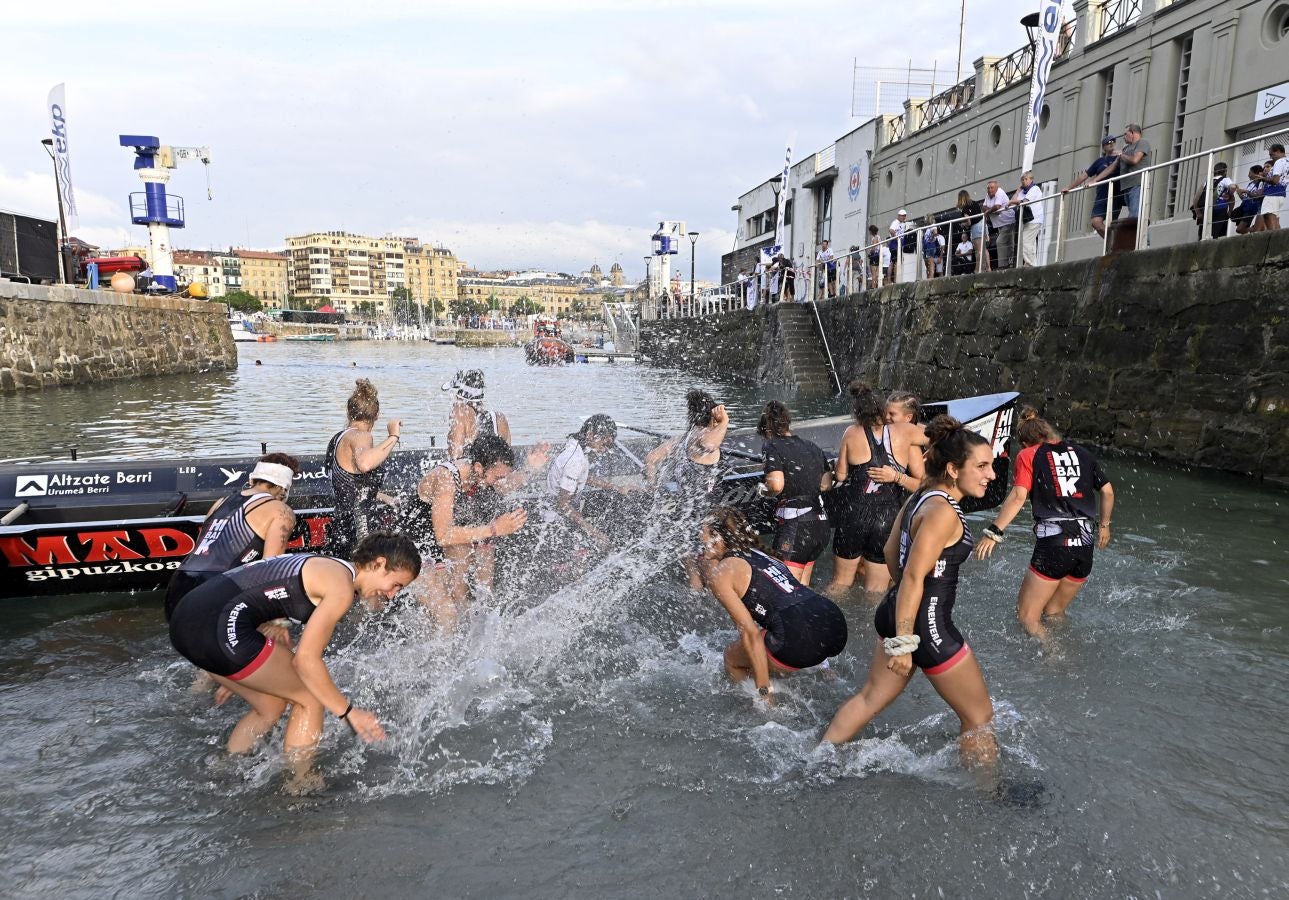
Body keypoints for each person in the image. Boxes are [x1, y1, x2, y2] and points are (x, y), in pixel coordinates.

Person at [168, 532, 420, 792]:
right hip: (217, 629)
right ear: (378, 563)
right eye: (396, 585)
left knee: (270, 705)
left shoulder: (327, 566)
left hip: (188, 621)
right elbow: (306, 661)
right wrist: (348, 712)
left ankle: (224, 771)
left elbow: (254, 593)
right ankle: (301, 784)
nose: (391, 595)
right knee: (310, 698)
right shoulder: (341, 588)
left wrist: (245, 670)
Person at [821, 416, 997, 772]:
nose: (991, 474)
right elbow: (916, 575)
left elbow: (889, 551)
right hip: (925, 629)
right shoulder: (943, 511)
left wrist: (903, 614)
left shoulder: (921, 496)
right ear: (952, 468)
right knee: (979, 718)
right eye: (981, 466)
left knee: (870, 698)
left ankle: (818, 759)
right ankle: (990, 795)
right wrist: (905, 639)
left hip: (898, 610)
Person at [975, 406, 1114, 645]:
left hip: (1056, 542)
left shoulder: (1029, 455)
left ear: (1025, 442)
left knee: (1027, 617)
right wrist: (1104, 526)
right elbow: (1108, 491)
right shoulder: (1082, 453)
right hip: (1086, 541)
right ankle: (1071, 651)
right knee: (1054, 613)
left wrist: (994, 531)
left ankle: (1054, 655)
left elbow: (1019, 495)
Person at [699, 506, 848, 700]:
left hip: (799, 635)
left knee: (732, 658)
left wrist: (764, 689)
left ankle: (767, 708)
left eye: (702, 533)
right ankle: (822, 666)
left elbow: (750, 634)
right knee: (773, 633)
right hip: (833, 622)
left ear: (718, 536)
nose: (700, 540)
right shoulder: (762, 554)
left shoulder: (722, 573)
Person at [402, 433, 544, 629]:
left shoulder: (480, 476)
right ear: (479, 467)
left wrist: (529, 469)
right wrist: (495, 528)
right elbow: (443, 535)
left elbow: (505, 486)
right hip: (411, 548)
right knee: (447, 613)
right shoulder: (447, 478)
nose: (499, 482)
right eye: (497, 477)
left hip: (442, 545)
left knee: (468, 600)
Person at [164, 453, 300, 622]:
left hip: (178, 585)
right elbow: (269, 568)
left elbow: (202, 546)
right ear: (284, 488)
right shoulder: (281, 511)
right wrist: (276, 620)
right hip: (217, 589)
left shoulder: (221, 502)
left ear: (252, 480)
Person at [824, 382, 926, 600]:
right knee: (876, 591)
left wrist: (831, 471)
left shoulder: (851, 432)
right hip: (887, 518)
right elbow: (939, 437)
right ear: (881, 408)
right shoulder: (907, 432)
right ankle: (876, 632)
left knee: (840, 584)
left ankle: (819, 627)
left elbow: (841, 476)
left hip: (854, 515)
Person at [757, 401, 832, 586]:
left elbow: (776, 485)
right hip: (819, 524)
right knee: (802, 589)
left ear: (767, 432)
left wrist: (763, 490)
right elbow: (825, 484)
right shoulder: (812, 446)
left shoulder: (771, 445)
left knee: (783, 588)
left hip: (797, 526)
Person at [325, 378, 401, 556]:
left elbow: (349, 486)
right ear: (377, 415)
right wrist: (393, 436)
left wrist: (381, 496)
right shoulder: (361, 436)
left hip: (342, 527)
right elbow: (365, 464)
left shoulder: (337, 439)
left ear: (348, 411)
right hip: (362, 533)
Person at [543, 414, 636, 550]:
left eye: (609, 445)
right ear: (590, 434)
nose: (605, 450)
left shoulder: (577, 446)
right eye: (604, 444)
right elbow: (563, 504)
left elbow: (585, 477)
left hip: (561, 513)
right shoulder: (575, 460)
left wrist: (616, 488)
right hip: (555, 523)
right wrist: (595, 534)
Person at [444, 369, 512, 460]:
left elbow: (454, 459)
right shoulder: (499, 418)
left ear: (458, 396)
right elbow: (508, 460)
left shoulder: (460, 413)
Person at [1062, 136, 1121, 238]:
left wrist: (1122, 154)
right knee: (1096, 222)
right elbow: (1084, 176)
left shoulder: (1121, 157)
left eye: (1113, 141)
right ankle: (1114, 241)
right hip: (1101, 196)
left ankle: (1114, 245)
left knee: (1113, 223)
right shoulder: (1099, 161)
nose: (1111, 143)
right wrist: (1069, 187)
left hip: (1116, 195)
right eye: (1108, 142)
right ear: (1103, 147)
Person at [1190, 162, 1235, 240]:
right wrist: (1230, 194)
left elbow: (1196, 199)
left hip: (1207, 210)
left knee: (1203, 232)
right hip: (1220, 209)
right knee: (1215, 233)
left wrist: (1198, 213)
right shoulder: (1225, 180)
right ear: (1225, 171)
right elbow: (1233, 187)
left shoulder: (1207, 182)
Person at [1007, 172, 1044, 267]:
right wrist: (1017, 191)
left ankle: (1029, 264)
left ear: (1031, 179)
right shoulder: (1023, 191)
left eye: (1025, 179)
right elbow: (1012, 202)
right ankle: (1033, 264)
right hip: (1027, 220)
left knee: (1026, 241)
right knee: (1030, 243)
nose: (1023, 181)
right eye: (1022, 179)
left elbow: (1024, 202)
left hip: (1034, 219)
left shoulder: (1035, 189)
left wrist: (1012, 201)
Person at [1115, 123, 1151, 219]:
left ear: (1132, 132)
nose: (1123, 137)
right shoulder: (1125, 149)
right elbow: (1113, 167)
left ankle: (1137, 234)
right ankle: (1142, 234)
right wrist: (1095, 180)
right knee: (1135, 217)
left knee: (1134, 217)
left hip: (1137, 184)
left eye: (1125, 134)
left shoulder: (1142, 142)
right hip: (1127, 187)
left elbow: (1135, 160)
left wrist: (1121, 155)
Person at [984, 180, 1016, 269]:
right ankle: (1010, 264)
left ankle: (1003, 265)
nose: (990, 190)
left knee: (1000, 242)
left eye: (992, 188)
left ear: (996, 188)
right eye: (988, 188)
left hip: (1008, 221)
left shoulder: (1000, 192)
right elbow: (983, 207)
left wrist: (989, 211)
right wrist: (991, 210)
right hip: (999, 223)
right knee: (1009, 244)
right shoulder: (988, 195)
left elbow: (997, 207)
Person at [954, 190, 986, 272]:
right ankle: (986, 267)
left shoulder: (965, 209)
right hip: (982, 224)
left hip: (976, 227)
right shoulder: (975, 203)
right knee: (983, 249)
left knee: (978, 250)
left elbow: (968, 221)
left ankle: (978, 269)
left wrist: (963, 224)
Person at [1258, 143, 1286, 231]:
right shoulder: (1287, 161)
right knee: (1275, 221)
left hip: (1272, 194)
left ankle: (1273, 240)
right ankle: (1279, 240)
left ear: (1277, 151)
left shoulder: (1279, 162)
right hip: (1281, 194)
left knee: (1269, 219)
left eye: (1271, 154)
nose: (1271, 157)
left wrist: (1263, 178)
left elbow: (1275, 181)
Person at [1230, 165, 1265, 234]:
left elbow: (1256, 196)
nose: (1248, 175)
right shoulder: (1250, 184)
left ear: (1256, 173)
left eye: (1250, 173)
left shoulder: (1261, 184)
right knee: (1241, 230)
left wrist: (1246, 191)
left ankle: (1256, 229)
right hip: (1244, 208)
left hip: (1251, 210)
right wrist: (1238, 192)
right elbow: (1245, 198)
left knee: (1239, 229)